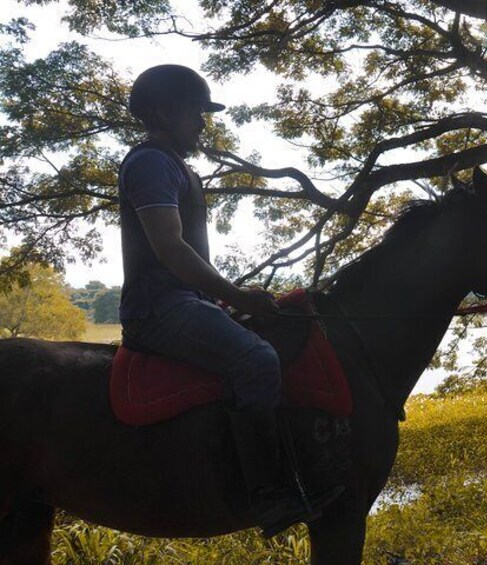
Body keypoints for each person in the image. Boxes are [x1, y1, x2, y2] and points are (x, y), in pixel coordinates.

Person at [118, 64, 341, 537]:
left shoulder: (177, 166)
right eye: (195, 112)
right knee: (257, 359)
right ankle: (268, 496)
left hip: (188, 300)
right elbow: (171, 249)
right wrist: (235, 295)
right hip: (159, 308)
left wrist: (224, 301)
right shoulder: (150, 163)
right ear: (163, 111)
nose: (202, 122)